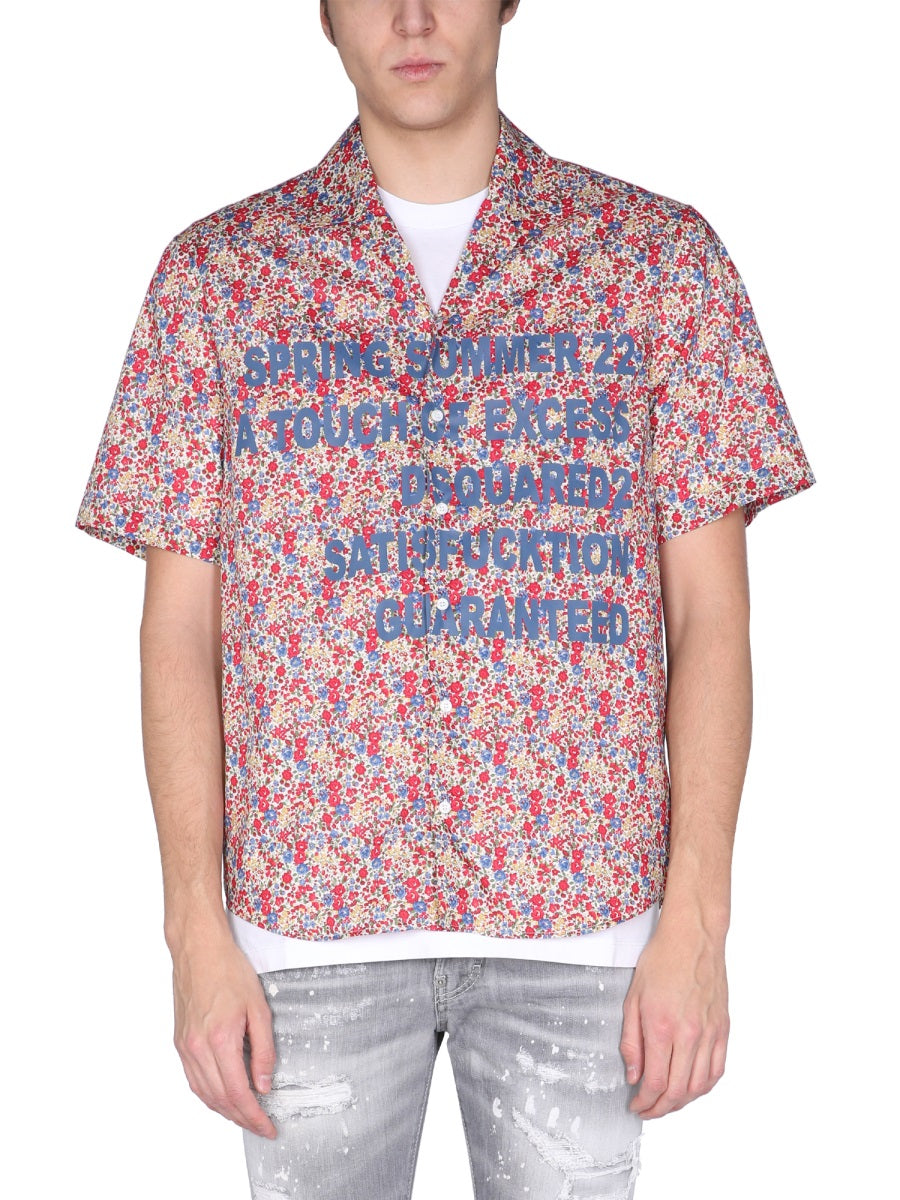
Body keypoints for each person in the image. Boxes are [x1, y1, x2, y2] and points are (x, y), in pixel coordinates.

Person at [75, 1, 816, 1196]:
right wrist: (192, 932)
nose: (412, 17)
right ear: (323, 11)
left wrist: (698, 923)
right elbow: (178, 633)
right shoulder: (219, 278)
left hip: (585, 931)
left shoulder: (657, 262)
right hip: (304, 931)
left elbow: (712, 622)